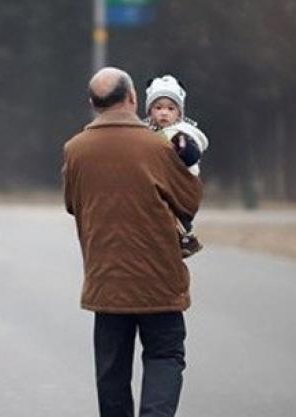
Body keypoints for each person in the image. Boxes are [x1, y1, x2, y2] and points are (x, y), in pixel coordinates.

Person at [62, 67, 203, 417]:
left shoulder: (76, 150)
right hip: (160, 279)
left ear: (93, 104)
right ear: (132, 99)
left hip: (107, 280)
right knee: (164, 355)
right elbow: (189, 201)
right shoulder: (158, 147)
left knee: (112, 371)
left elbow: (71, 203)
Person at [144, 74, 209, 257]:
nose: (164, 113)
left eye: (170, 108)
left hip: (178, 180)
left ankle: (185, 237)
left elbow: (193, 156)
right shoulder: (145, 132)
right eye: (158, 108)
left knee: (175, 210)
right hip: (156, 179)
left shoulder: (183, 134)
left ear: (179, 113)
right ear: (149, 111)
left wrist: (182, 147)